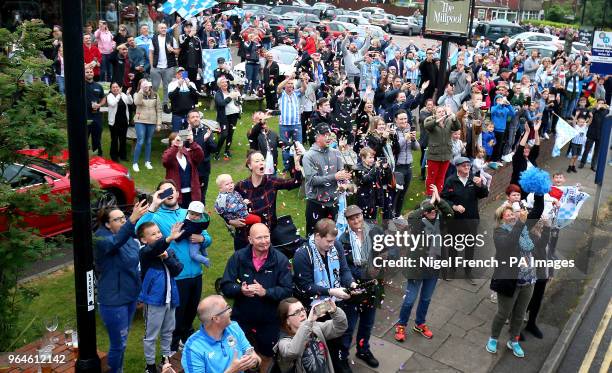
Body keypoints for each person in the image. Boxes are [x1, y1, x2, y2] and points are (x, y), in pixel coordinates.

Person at [136, 181, 211, 352]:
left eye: (172, 190)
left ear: (178, 193)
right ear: (159, 196)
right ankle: (172, 347)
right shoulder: (155, 217)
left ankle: (186, 338)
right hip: (177, 274)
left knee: (192, 310)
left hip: (196, 272)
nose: (169, 193)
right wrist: (153, 206)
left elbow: (206, 236)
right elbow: (139, 230)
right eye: (163, 192)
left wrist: (203, 240)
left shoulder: (189, 212)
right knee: (177, 314)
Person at [220, 223, 293, 373]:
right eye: (259, 238)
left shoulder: (281, 260)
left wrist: (266, 292)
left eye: (266, 236)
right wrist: (240, 290)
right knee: (239, 355)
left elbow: (287, 291)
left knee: (266, 355)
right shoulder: (238, 257)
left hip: (270, 320)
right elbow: (225, 286)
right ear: (250, 239)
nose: (264, 241)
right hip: (242, 319)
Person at [292, 219, 355, 373]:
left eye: (333, 240)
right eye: (328, 241)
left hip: (336, 302)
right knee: (324, 340)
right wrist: (331, 291)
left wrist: (351, 283)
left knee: (341, 332)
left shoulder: (336, 245)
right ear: (317, 236)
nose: (332, 244)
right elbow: (305, 286)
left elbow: (344, 270)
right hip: (316, 308)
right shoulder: (302, 254)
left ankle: (341, 361)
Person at [486, 199, 548, 358]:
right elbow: (508, 244)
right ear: (501, 219)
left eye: (513, 214)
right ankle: (493, 338)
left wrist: (539, 191)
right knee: (503, 313)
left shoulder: (524, 228)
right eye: (507, 215)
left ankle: (513, 340)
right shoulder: (499, 232)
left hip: (529, 279)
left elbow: (538, 211)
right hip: (509, 281)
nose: (512, 217)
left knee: (520, 314)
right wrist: (520, 224)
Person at [94, 201, 149, 373]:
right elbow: (114, 243)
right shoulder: (101, 239)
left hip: (130, 295)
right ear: (107, 224)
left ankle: (119, 368)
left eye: (123, 218)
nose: (123, 221)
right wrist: (132, 219)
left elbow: (133, 257)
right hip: (113, 300)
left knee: (123, 342)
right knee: (118, 344)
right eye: (117, 220)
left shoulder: (127, 237)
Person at [395, 185, 453, 342]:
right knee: (410, 299)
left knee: (426, 298)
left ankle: (420, 323)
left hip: (433, 268)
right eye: (429, 210)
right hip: (417, 268)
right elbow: (412, 216)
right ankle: (401, 324)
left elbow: (450, 213)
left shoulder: (441, 222)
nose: (432, 212)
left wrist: (439, 201)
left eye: (434, 210)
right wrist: (429, 203)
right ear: (424, 212)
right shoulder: (417, 223)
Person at [336, 206, 385, 369]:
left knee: (367, 322)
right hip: (354, 289)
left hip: (373, 287)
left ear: (362, 216)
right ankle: (342, 357)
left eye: (358, 217)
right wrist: (366, 271)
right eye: (352, 219)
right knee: (349, 326)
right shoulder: (342, 241)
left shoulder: (376, 232)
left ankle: (363, 350)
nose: (356, 221)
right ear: (347, 221)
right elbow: (344, 269)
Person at [229, 150, 302, 250]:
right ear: (250, 166)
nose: (261, 163)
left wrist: (297, 163)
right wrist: (230, 221)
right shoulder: (241, 186)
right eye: (257, 161)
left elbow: (295, 182)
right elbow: (225, 205)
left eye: (262, 160)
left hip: (265, 238)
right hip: (245, 237)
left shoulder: (271, 182)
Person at [137, 221, 184, 373]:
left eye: (159, 232)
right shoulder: (145, 253)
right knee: (151, 334)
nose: (158, 235)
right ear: (144, 240)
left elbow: (178, 269)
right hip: (154, 301)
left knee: (168, 330)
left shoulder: (168, 252)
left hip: (170, 299)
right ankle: (150, 364)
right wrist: (168, 239)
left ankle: (165, 357)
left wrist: (167, 258)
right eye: (153, 234)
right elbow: (154, 248)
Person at [182, 295, 262, 373]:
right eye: (227, 308)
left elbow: (253, 356)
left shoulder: (234, 327)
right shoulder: (193, 348)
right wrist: (231, 371)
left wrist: (254, 362)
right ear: (216, 318)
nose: (231, 310)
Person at [442, 157, 489, 283]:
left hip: (471, 219)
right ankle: (452, 270)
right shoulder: (451, 181)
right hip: (455, 220)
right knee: (453, 246)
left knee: (470, 246)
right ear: (457, 167)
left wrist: (481, 185)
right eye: (464, 166)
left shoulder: (474, 179)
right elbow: (443, 199)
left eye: (468, 165)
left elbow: (484, 194)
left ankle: (468, 272)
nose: (467, 168)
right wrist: (454, 206)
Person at [275, 298, 348, 373]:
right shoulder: (283, 342)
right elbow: (292, 352)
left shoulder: (315, 327)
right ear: (287, 321)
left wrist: (335, 311)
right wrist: (309, 322)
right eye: (296, 312)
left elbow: (340, 327)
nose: (302, 314)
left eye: (302, 309)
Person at [303, 124, 350, 235]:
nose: (328, 138)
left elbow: (341, 174)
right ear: (317, 137)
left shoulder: (336, 153)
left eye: (329, 135)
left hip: (333, 202)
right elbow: (312, 180)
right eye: (325, 135)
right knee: (314, 236)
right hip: (316, 203)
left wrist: (344, 184)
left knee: (330, 236)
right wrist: (334, 177)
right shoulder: (309, 156)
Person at [423, 106, 461, 196]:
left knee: (441, 176)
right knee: (432, 177)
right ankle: (429, 195)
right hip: (434, 155)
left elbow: (457, 127)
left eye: (443, 111)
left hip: (446, 155)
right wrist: (438, 120)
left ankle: (438, 195)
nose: (442, 113)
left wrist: (453, 116)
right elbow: (427, 126)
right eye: (439, 111)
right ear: (434, 114)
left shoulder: (448, 121)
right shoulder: (430, 121)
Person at [162, 132, 204, 208]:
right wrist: (175, 147)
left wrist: (192, 143)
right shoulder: (167, 154)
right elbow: (166, 161)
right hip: (175, 193)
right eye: (175, 140)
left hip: (191, 193)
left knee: (191, 216)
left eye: (179, 140)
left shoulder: (188, 153)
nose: (178, 141)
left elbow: (200, 156)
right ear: (171, 143)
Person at [393, 109, 420, 216]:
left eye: (405, 118)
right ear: (396, 120)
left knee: (403, 194)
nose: (404, 121)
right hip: (398, 167)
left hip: (408, 166)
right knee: (396, 194)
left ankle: (398, 215)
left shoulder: (409, 130)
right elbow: (396, 148)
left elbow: (417, 148)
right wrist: (405, 138)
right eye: (401, 119)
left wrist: (413, 139)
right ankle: (391, 216)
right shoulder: (393, 132)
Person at [187, 110, 217, 206]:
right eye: (193, 117)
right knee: (189, 193)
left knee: (201, 194)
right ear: (188, 120)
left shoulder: (206, 130)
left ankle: (200, 215)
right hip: (190, 168)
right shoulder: (184, 132)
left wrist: (207, 140)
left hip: (204, 168)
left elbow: (214, 149)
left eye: (197, 116)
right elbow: (183, 148)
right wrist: (202, 139)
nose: (196, 118)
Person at [133, 78, 161, 172]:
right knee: (140, 141)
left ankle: (147, 161)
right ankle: (135, 163)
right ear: (140, 85)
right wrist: (141, 91)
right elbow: (137, 103)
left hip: (152, 121)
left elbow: (159, 109)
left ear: (150, 84)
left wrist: (159, 123)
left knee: (148, 141)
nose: (146, 86)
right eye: (143, 84)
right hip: (140, 120)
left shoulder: (155, 95)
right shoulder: (137, 94)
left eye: (147, 84)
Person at [149, 23, 179, 108]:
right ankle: (152, 103)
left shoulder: (171, 38)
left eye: (165, 28)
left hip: (168, 67)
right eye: (162, 28)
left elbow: (177, 52)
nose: (164, 29)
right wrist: (151, 66)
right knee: (154, 86)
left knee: (167, 86)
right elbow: (151, 52)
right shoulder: (154, 39)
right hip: (156, 67)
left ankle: (165, 104)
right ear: (158, 29)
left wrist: (172, 50)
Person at [277, 75, 303, 170]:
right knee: (285, 147)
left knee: (298, 146)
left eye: (292, 84)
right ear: (285, 85)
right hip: (284, 125)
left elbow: (304, 88)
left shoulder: (296, 93)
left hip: (296, 124)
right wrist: (288, 79)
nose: (290, 85)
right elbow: (278, 88)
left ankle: (298, 164)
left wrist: (303, 80)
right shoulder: (281, 94)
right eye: (288, 84)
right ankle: (287, 166)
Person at [174, 201, 212, 268]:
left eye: (197, 215)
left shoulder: (192, 225)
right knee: (201, 245)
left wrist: (177, 238)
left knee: (193, 255)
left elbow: (185, 233)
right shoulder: (195, 220)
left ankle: (205, 260)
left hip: (193, 241)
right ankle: (203, 251)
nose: (194, 217)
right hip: (197, 236)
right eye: (192, 214)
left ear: (201, 215)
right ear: (188, 211)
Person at [214, 76, 242, 160]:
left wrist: (238, 97)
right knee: (224, 134)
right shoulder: (218, 94)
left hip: (234, 115)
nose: (225, 83)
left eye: (226, 82)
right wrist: (230, 97)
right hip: (224, 117)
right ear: (219, 85)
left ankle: (227, 151)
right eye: (222, 82)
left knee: (230, 134)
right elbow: (221, 103)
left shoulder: (231, 91)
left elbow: (238, 102)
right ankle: (217, 152)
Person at [106, 82, 133, 162]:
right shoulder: (109, 96)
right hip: (114, 122)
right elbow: (113, 103)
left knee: (123, 139)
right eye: (113, 87)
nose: (115, 89)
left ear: (119, 87)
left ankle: (123, 155)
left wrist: (128, 94)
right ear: (111, 89)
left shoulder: (123, 95)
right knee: (114, 139)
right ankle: (114, 156)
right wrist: (119, 95)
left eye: (117, 87)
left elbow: (130, 102)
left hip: (124, 121)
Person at [168, 67, 199, 132]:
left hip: (190, 114)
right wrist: (178, 86)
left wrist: (189, 85)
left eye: (183, 73)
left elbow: (196, 96)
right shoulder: (172, 84)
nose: (181, 75)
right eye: (179, 74)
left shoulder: (191, 84)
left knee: (190, 133)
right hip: (177, 114)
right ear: (176, 75)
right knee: (176, 133)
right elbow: (171, 97)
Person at [580, 99, 607, 171]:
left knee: (597, 152)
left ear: (604, 104)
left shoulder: (606, 111)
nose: (600, 104)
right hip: (591, 133)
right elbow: (590, 114)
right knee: (587, 149)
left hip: (600, 135)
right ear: (596, 103)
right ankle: (582, 163)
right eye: (599, 103)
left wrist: (606, 107)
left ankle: (593, 165)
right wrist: (596, 109)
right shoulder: (593, 109)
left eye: (602, 103)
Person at [85, 68, 106, 156]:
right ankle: (83, 157)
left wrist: (99, 105)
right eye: (87, 72)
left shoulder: (98, 86)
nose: (89, 73)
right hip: (85, 116)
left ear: (93, 73)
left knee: (97, 139)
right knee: (83, 139)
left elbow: (103, 98)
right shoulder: (80, 85)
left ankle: (98, 157)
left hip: (96, 117)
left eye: (91, 72)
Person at [178, 22, 203, 91]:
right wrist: (189, 36)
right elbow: (182, 46)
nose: (189, 29)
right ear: (184, 29)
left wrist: (200, 66)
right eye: (187, 27)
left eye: (190, 27)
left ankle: (194, 99)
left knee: (194, 83)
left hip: (194, 67)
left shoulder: (197, 39)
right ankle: (185, 100)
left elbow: (200, 54)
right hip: (184, 67)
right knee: (184, 83)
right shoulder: (181, 37)